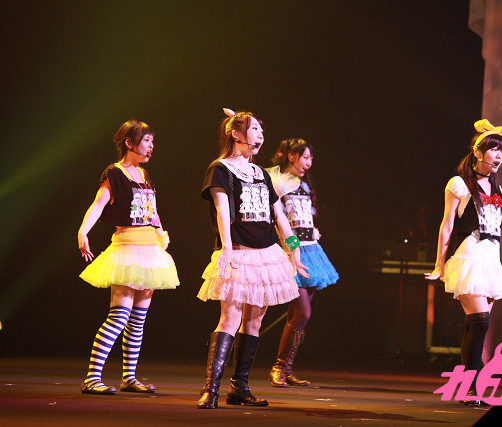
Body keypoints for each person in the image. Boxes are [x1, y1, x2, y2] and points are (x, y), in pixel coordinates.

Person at [196, 108, 308, 409]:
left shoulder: (260, 174)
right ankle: (211, 389)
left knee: (254, 320)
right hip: (239, 251)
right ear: (236, 134)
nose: (260, 134)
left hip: (266, 254)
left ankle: (239, 387)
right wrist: (227, 247)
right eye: (255, 128)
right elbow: (222, 211)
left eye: (261, 130)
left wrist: (294, 249)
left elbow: (279, 216)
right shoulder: (220, 169)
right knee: (230, 318)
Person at [77, 119, 179, 395]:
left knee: (138, 319)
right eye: (146, 141)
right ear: (129, 143)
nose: (151, 146)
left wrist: (161, 232)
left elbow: (152, 210)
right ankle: (92, 378)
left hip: (150, 251)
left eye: (152, 141)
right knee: (119, 316)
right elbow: (98, 204)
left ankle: (129, 377)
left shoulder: (144, 174)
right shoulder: (115, 173)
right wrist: (83, 231)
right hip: (127, 250)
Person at [425, 119, 502, 406]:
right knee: (479, 321)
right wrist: (439, 265)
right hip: (469, 255)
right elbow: (447, 225)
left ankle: (469, 388)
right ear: (478, 152)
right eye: (494, 150)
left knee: (476, 325)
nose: (499, 156)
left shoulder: (497, 186)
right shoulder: (459, 183)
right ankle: (471, 389)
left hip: (490, 258)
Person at [265, 138, 339, 387]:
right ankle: (278, 368)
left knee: (296, 315)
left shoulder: (305, 184)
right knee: (303, 313)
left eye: (311, 158)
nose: (309, 163)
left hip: (311, 250)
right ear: (291, 156)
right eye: (305, 157)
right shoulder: (277, 183)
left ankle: (286, 369)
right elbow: (277, 220)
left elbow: (307, 214)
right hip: (291, 251)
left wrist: (313, 230)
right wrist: (288, 248)